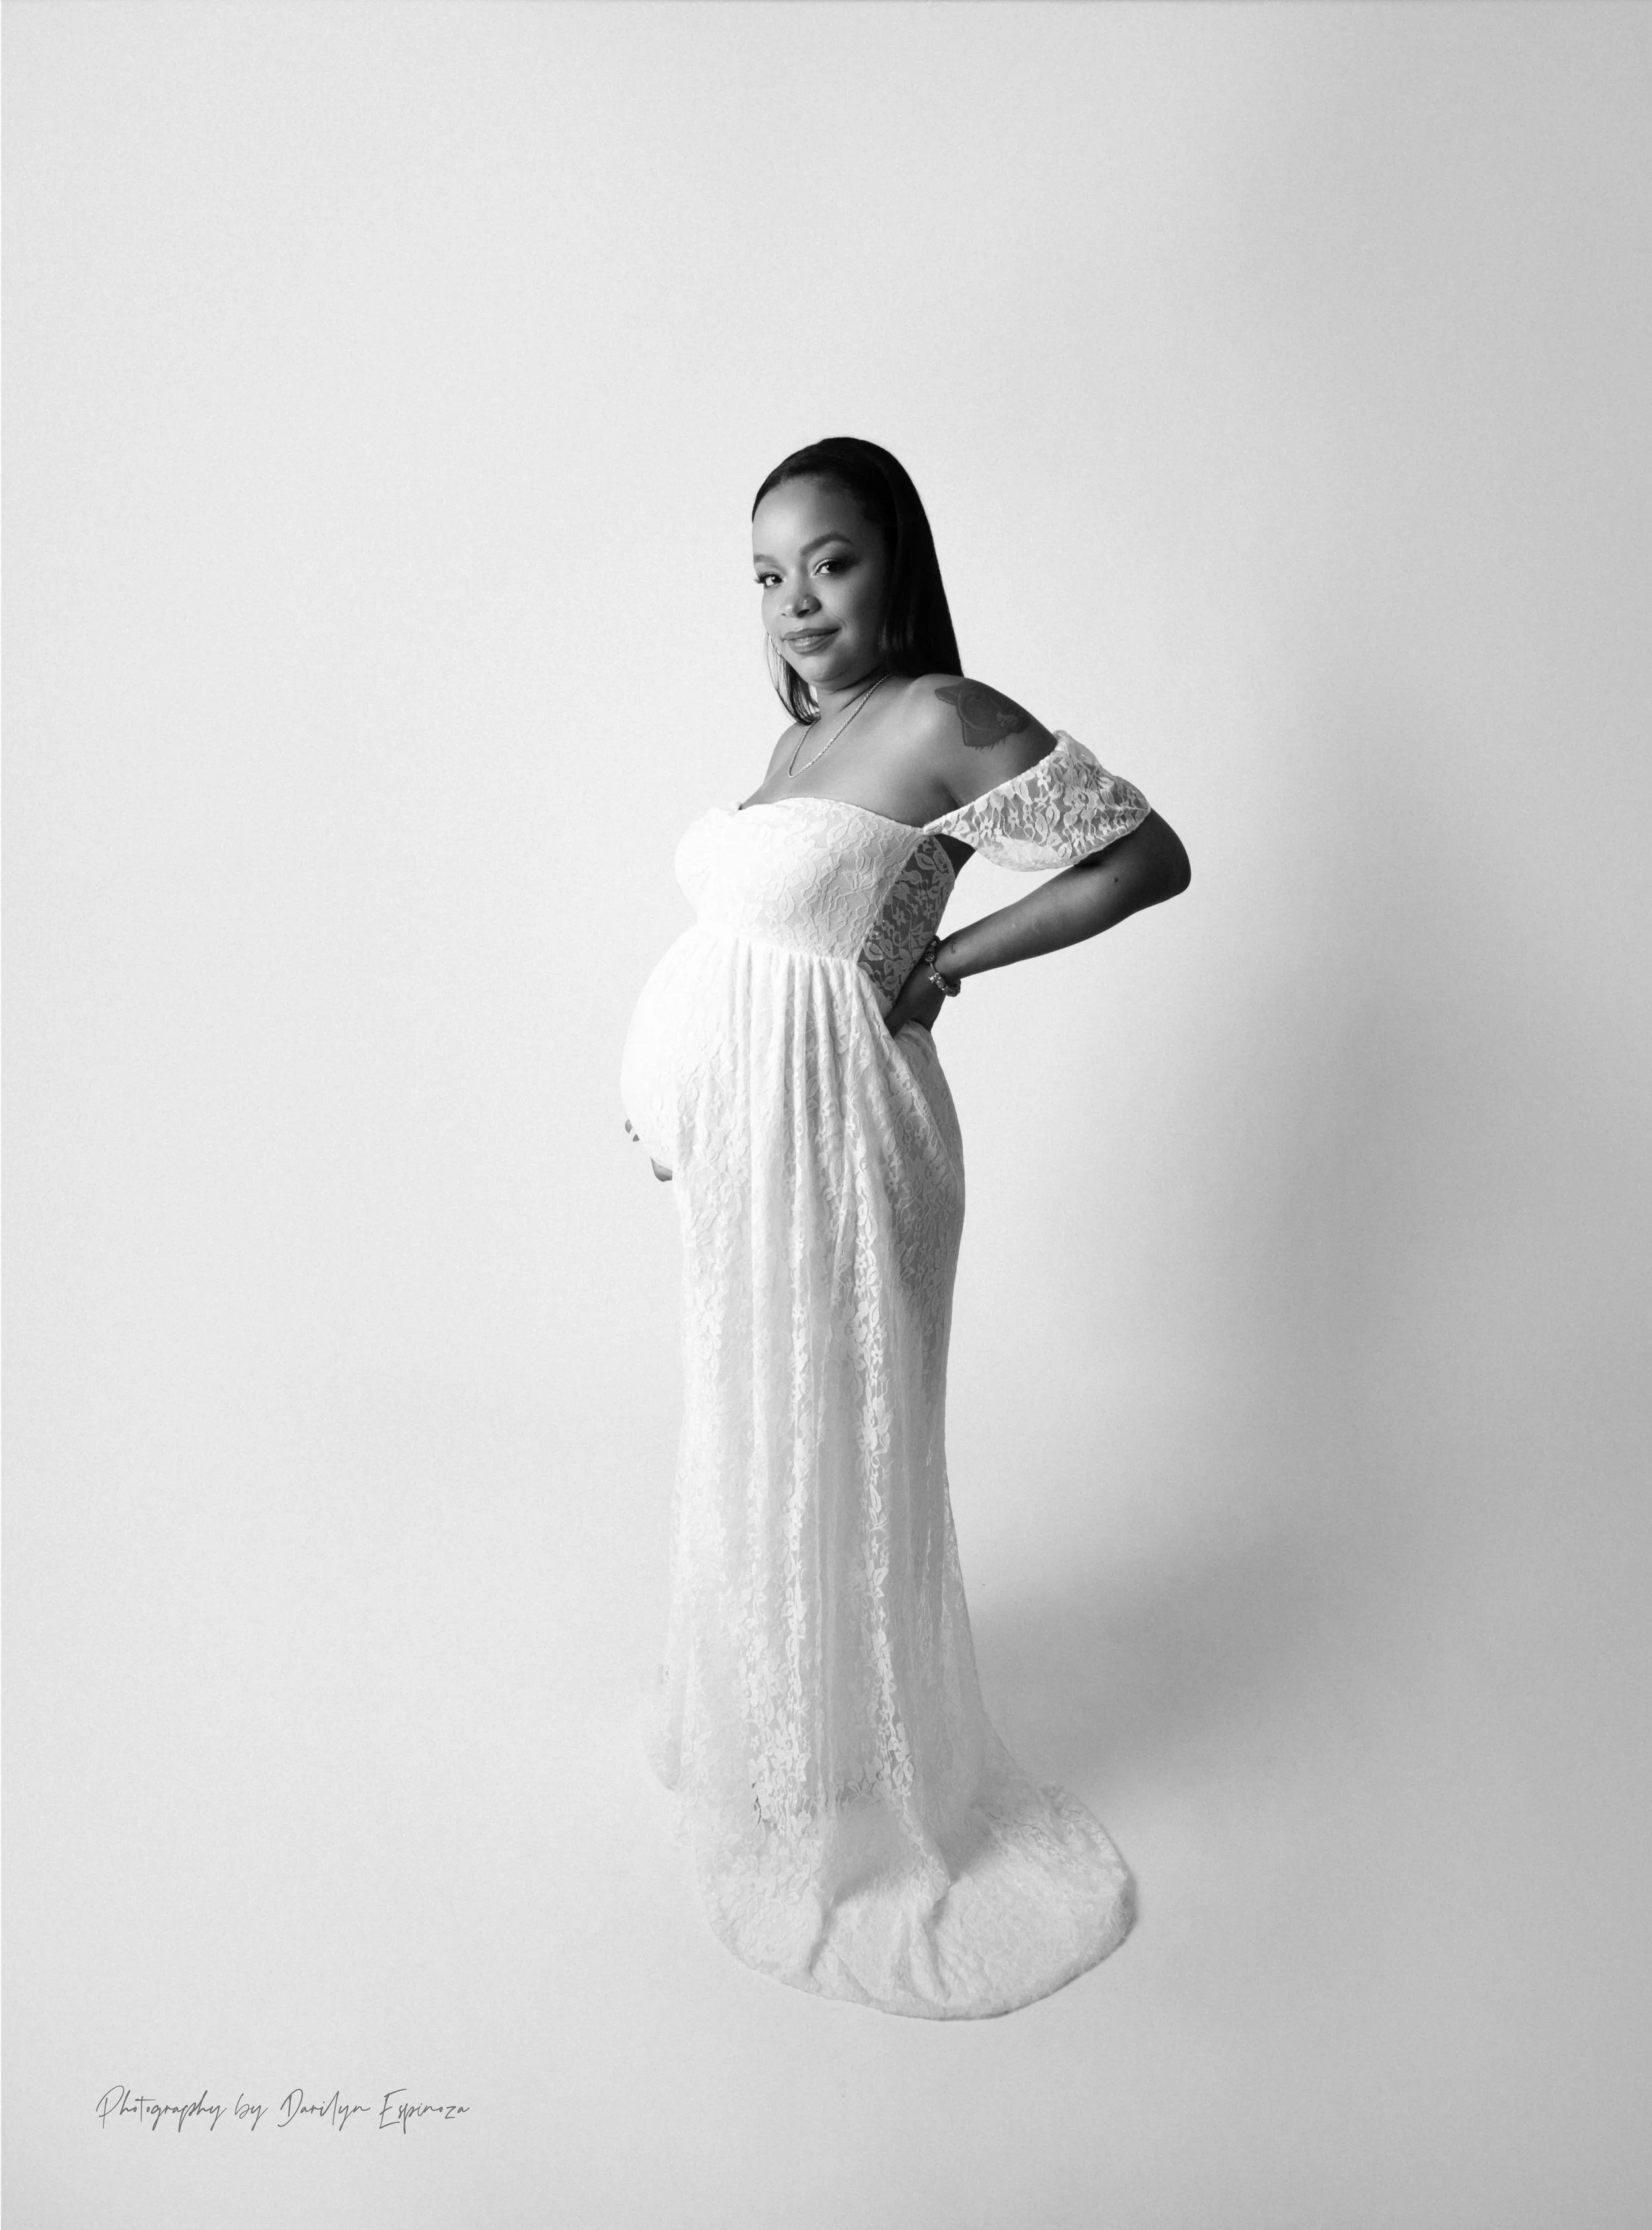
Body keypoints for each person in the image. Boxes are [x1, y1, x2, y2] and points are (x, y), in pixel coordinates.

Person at [620, 436, 1190, 2019]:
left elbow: (1146, 854)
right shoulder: (802, 739)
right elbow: (750, 941)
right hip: (750, 1149)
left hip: (850, 1141)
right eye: (765, 573)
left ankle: (858, 1773)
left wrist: (952, 963)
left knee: (835, 1428)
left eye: (829, 562)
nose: (795, 603)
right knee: (756, 1418)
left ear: (895, 561)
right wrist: (672, 1094)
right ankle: (784, 1725)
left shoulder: (940, 720)